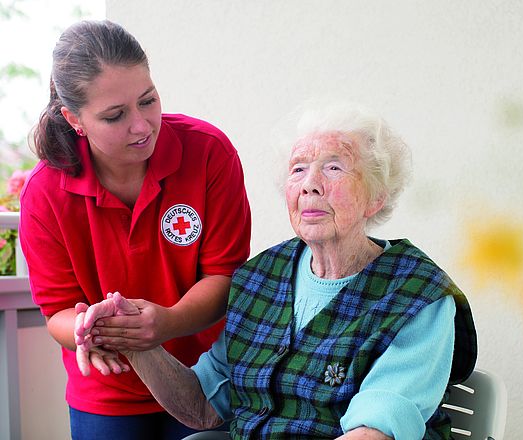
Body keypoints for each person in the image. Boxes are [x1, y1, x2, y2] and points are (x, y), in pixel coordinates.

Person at [77, 103, 477, 439]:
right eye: (298, 169)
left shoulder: (418, 294)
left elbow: (373, 431)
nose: (310, 185)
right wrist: (135, 341)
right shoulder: (260, 279)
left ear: (376, 197)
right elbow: (202, 405)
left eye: (334, 168)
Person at [18, 20, 251, 440]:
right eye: (115, 115)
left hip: (208, 384)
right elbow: (57, 312)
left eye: (148, 101)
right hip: (107, 398)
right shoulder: (44, 192)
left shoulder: (208, 153)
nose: (142, 125)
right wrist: (91, 329)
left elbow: (225, 277)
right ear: (75, 119)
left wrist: (167, 322)